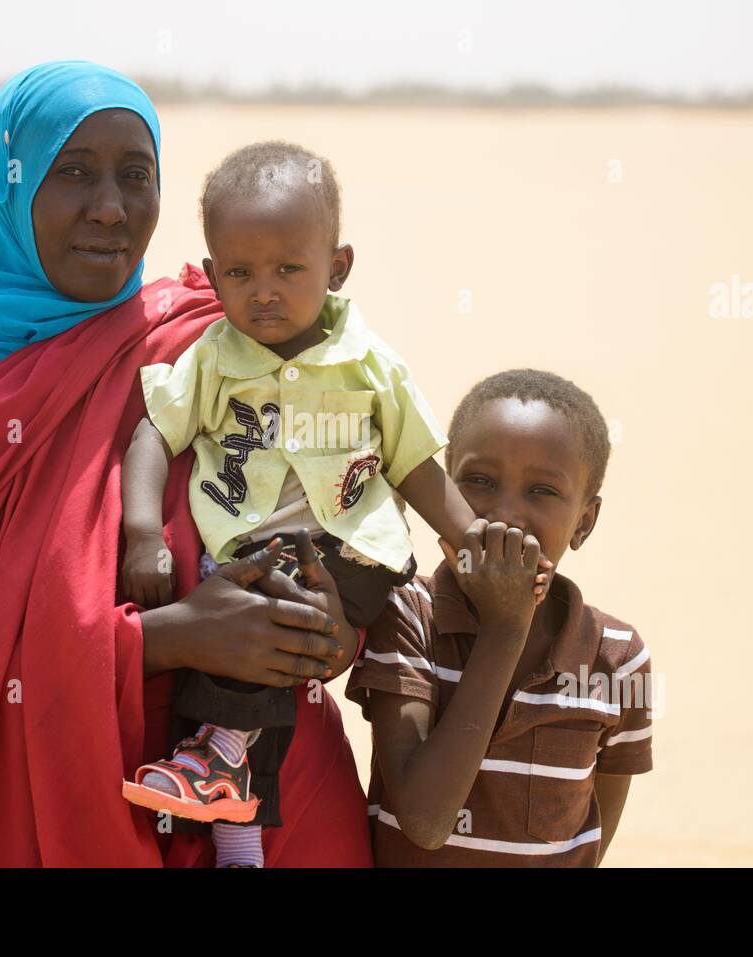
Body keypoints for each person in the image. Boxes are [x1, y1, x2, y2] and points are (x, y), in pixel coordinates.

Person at [0, 60, 371, 867]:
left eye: (135, 176)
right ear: (10, 192)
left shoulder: (203, 337)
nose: (111, 209)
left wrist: (329, 630)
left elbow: (340, 508)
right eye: (72, 173)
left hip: (266, 801)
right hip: (39, 811)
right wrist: (167, 637)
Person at [117, 142, 552, 867]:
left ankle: (220, 755)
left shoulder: (370, 364)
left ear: (338, 267)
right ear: (214, 270)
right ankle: (239, 838)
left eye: (289, 269)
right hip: (253, 558)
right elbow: (152, 434)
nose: (264, 291)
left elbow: (414, 463)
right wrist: (141, 531)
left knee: (264, 607)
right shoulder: (214, 356)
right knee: (241, 622)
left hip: (356, 552)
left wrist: (471, 541)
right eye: (240, 272)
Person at [345, 369, 655, 866]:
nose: (504, 513)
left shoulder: (615, 657)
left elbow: (590, 841)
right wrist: (506, 627)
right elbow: (425, 822)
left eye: (542, 491)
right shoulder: (406, 614)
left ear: (584, 523)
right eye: (479, 482)